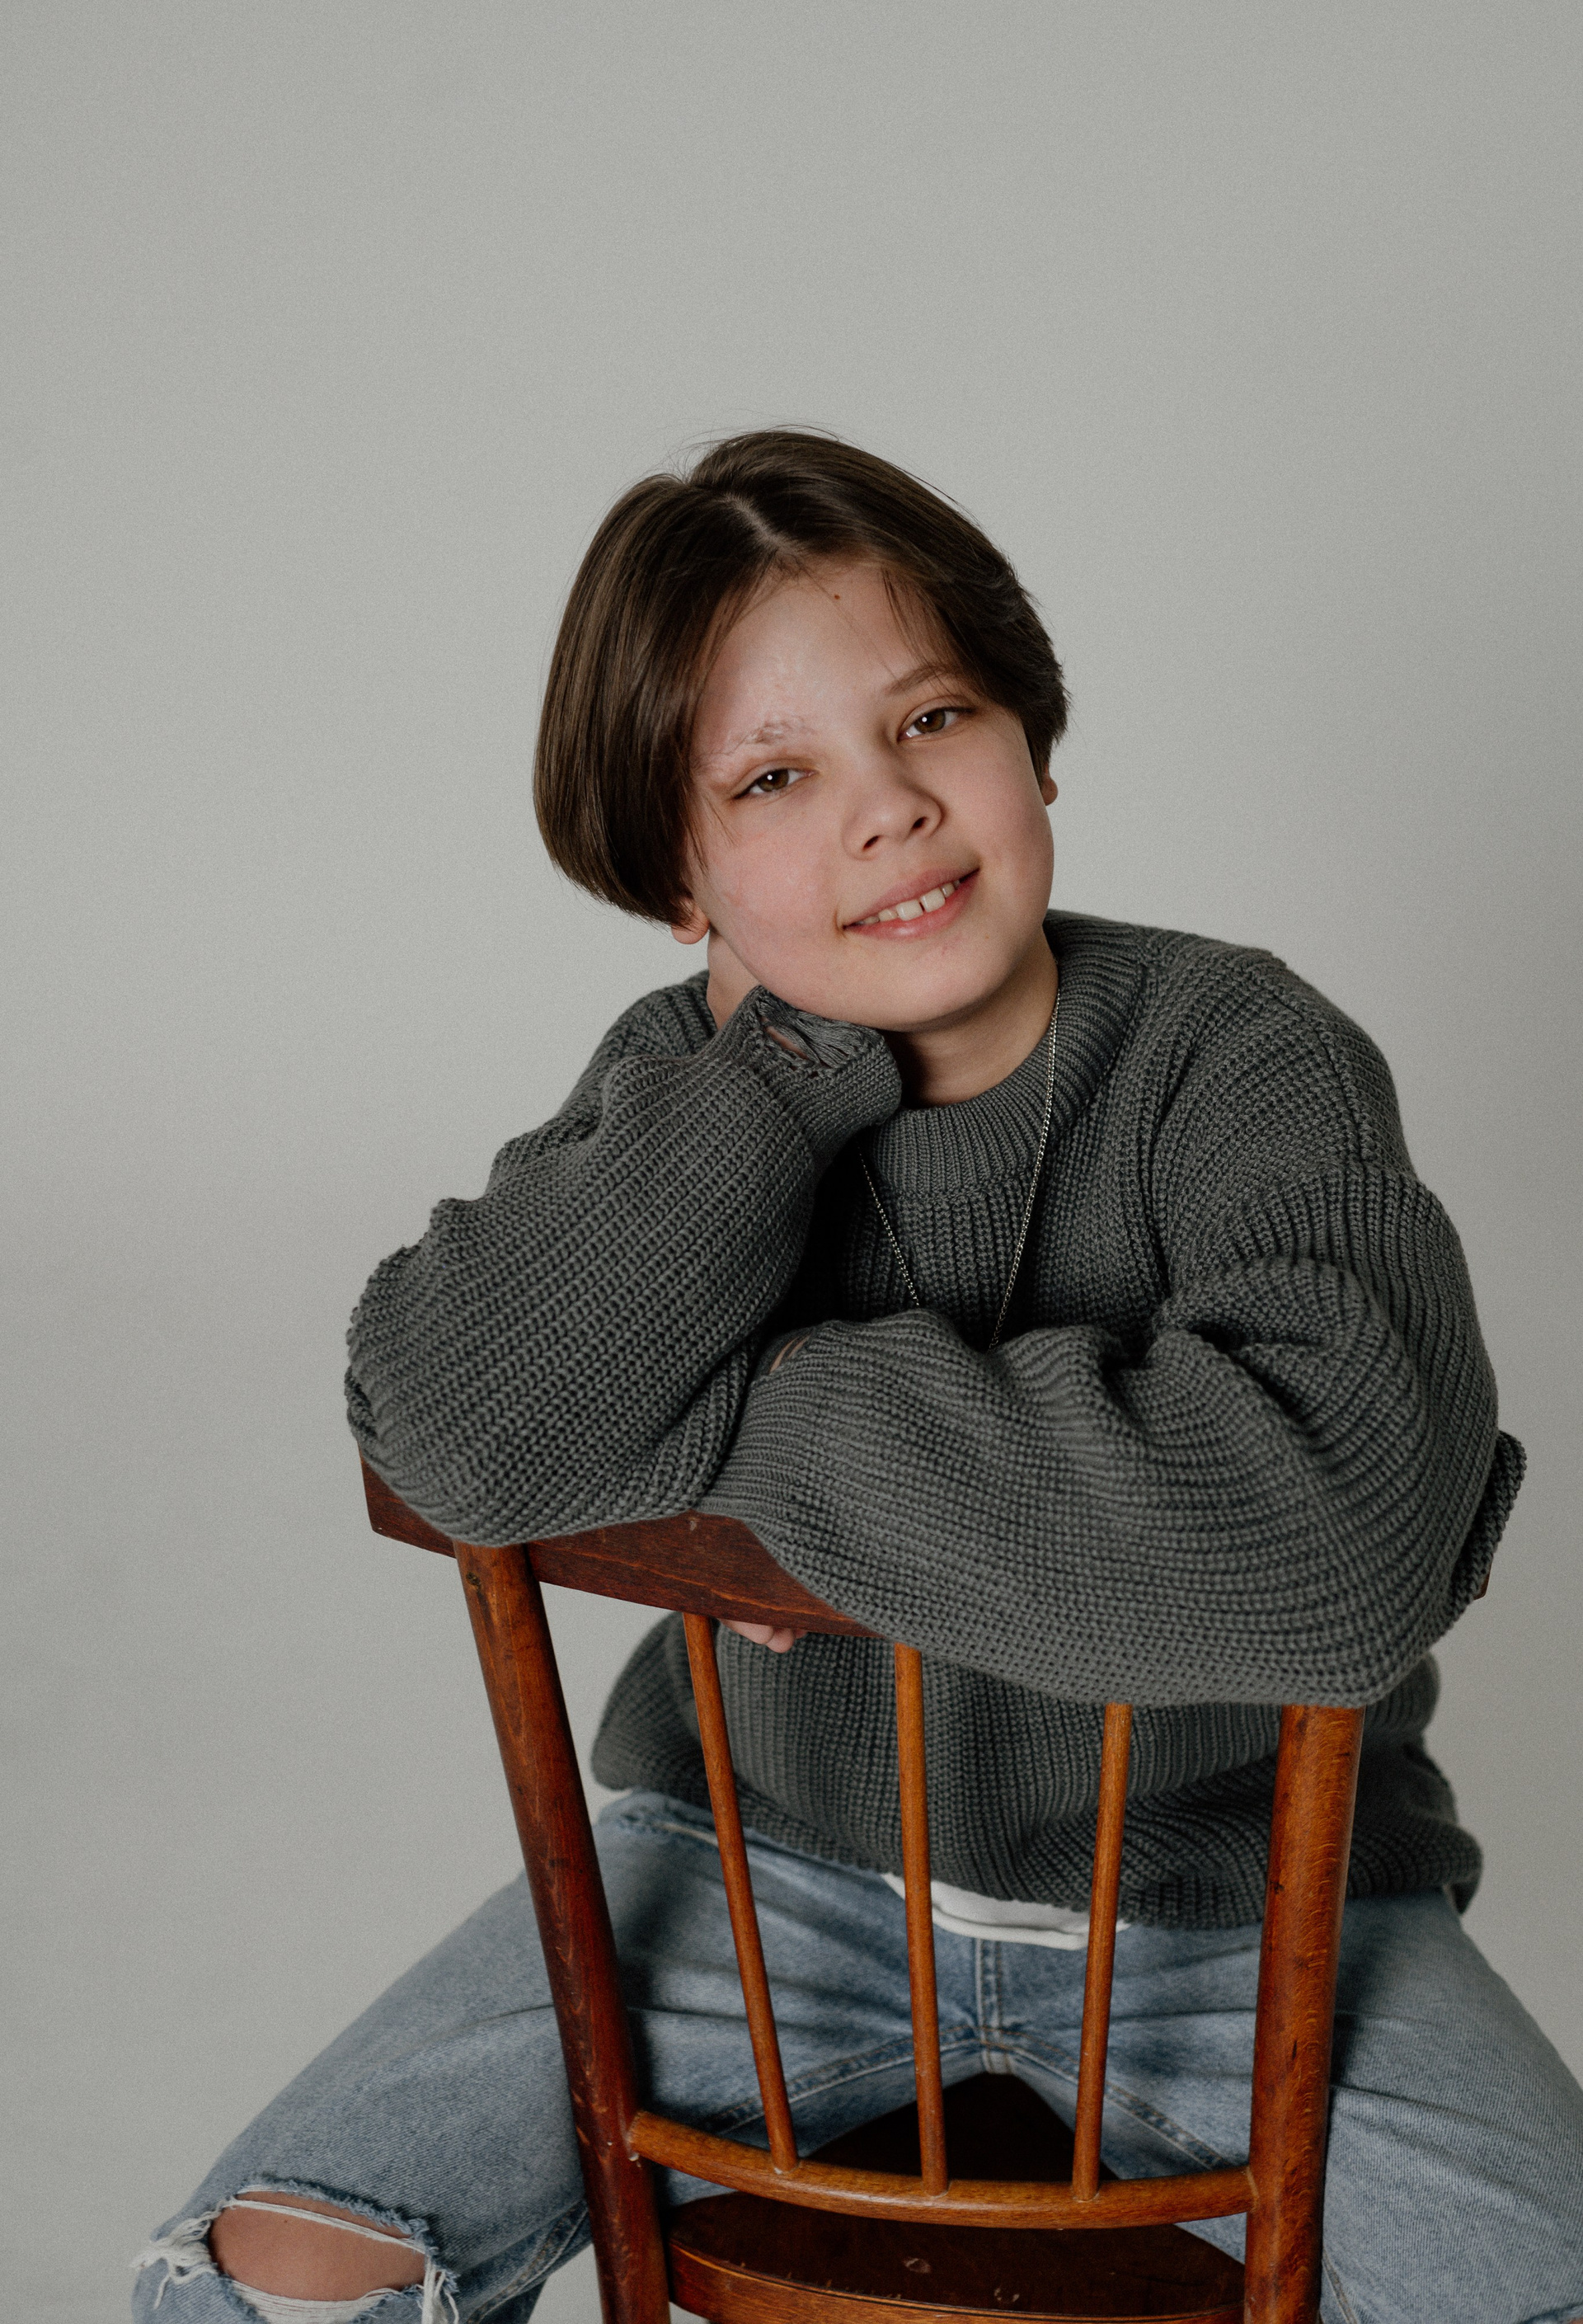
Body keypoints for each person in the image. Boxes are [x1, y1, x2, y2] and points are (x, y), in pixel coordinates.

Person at [134, 431, 1583, 2324]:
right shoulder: (683, 1088)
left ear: (1032, 745)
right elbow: (456, 1432)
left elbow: (1334, 1558)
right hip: (765, 1879)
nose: (888, 808)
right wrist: (784, 1077)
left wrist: (746, 1420)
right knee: (237, 2293)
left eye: (932, 718)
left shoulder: (1240, 1052)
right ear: (679, 874)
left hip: (1234, 1923)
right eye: (774, 777)